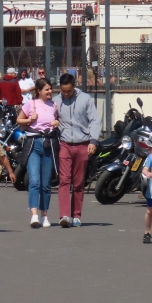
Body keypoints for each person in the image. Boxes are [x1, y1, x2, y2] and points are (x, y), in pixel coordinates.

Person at [53, 73, 100, 228]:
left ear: (74, 86)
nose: (66, 94)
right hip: (65, 144)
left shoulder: (85, 99)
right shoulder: (56, 100)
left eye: (68, 91)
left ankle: (76, 215)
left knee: (78, 182)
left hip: (83, 143)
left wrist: (93, 140)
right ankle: (64, 215)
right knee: (64, 180)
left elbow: (94, 120)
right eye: (63, 91)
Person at [18, 78, 59, 228]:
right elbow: (19, 120)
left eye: (50, 89)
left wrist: (56, 123)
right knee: (34, 181)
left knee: (46, 184)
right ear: (39, 91)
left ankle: (44, 215)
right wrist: (29, 119)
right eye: (46, 89)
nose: (50, 92)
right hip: (34, 144)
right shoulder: (31, 104)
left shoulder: (54, 105)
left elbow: (58, 122)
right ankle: (34, 215)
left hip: (48, 145)